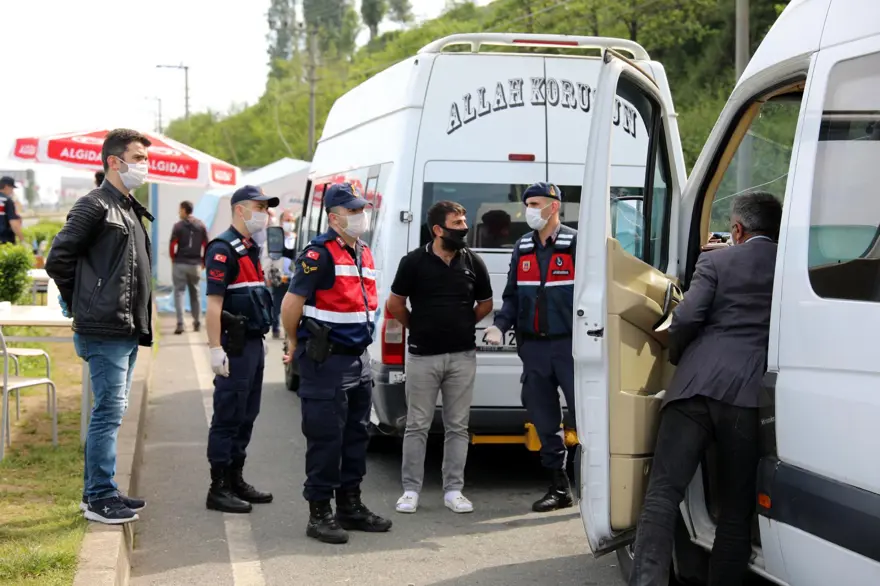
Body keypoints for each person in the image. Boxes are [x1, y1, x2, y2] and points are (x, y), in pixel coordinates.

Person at [627, 191, 783, 586]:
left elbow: (686, 318)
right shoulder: (790, 268)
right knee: (735, 508)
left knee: (663, 494)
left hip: (694, 390)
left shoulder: (715, 259)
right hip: (749, 396)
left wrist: (680, 359)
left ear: (737, 229)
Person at [45, 129, 153, 524]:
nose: (144, 166)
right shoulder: (94, 205)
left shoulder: (125, 205)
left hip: (123, 327)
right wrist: (84, 302)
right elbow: (58, 258)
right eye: (138, 158)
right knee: (108, 411)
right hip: (103, 327)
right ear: (113, 161)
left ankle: (102, 487)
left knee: (114, 410)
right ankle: (98, 497)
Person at [281, 182, 392, 544]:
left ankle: (350, 505)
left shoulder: (362, 251)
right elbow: (291, 304)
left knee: (356, 438)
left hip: (358, 360)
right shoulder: (319, 254)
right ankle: (319, 513)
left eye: (362, 210)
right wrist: (294, 341)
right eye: (354, 211)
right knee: (326, 439)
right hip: (326, 361)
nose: (361, 216)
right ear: (334, 217)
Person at [387, 201, 493, 515]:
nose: (464, 228)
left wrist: (460, 325)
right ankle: (410, 490)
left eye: (464, 221)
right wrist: (417, 327)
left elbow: (485, 304)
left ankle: (454, 490)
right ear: (438, 230)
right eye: (457, 223)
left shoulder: (473, 261)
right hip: (422, 357)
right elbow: (395, 304)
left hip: (462, 356)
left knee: (457, 426)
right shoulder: (413, 262)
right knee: (417, 425)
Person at [483, 182, 577, 513]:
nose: (529, 210)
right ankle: (559, 487)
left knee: (585, 417)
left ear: (555, 206)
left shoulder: (575, 243)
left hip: (571, 348)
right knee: (543, 418)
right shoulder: (522, 246)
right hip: (534, 348)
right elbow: (511, 296)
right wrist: (499, 325)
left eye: (536, 203)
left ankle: (596, 487)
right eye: (527, 204)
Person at [203, 185, 277, 514]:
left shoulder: (249, 248)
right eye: (259, 207)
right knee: (228, 415)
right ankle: (218, 487)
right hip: (233, 347)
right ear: (239, 210)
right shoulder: (223, 248)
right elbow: (213, 305)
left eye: (266, 207)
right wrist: (215, 348)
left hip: (252, 344)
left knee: (247, 415)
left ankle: (235, 479)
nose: (265, 213)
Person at [170, 200, 209, 334]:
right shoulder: (201, 225)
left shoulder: (178, 226)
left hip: (180, 263)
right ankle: (197, 322)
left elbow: (172, 245)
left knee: (179, 293)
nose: (178, 212)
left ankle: (180, 323)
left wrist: (173, 259)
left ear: (185, 210)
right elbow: (206, 244)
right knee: (195, 293)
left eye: (180, 210)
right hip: (195, 265)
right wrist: (204, 261)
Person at [266, 210, 297, 339]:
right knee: (277, 304)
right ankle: (275, 328)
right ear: (281, 222)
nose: (289, 223)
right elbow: (268, 257)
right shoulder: (275, 238)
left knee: (292, 306)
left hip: (294, 277)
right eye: (287, 220)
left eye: (291, 221)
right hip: (279, 277)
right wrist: (267, 275)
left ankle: (290, 330)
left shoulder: (297, 238)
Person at [0, 176, 24, 245]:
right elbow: (14, 223)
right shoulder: (7, 201)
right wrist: (22, 240)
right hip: (4, 241)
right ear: (6, 186)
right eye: (12, 188)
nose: (12, 191)